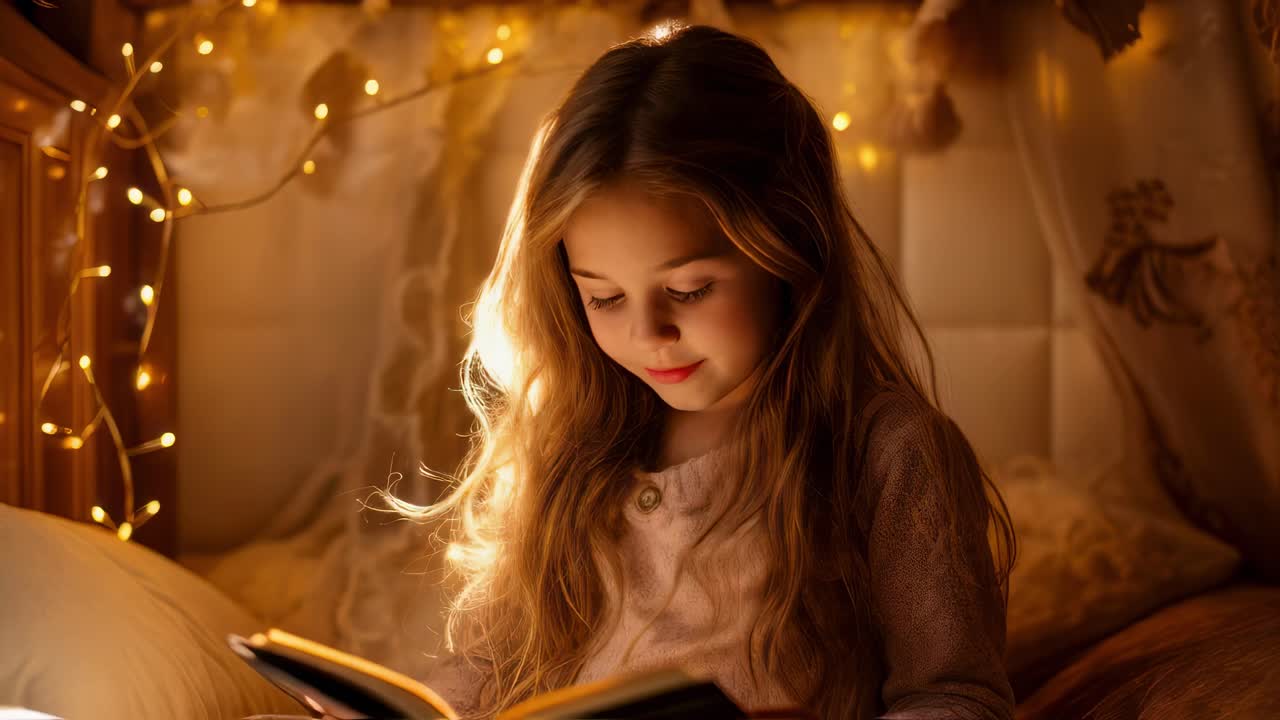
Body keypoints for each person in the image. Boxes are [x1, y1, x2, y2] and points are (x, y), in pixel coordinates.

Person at [391, 22, 1017, 720]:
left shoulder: (888, 454)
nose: (647, 333)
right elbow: (489, 667)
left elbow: (957, 696)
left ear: (790, 245)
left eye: (689, 290)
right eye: (603, 297)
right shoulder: (574, 444)